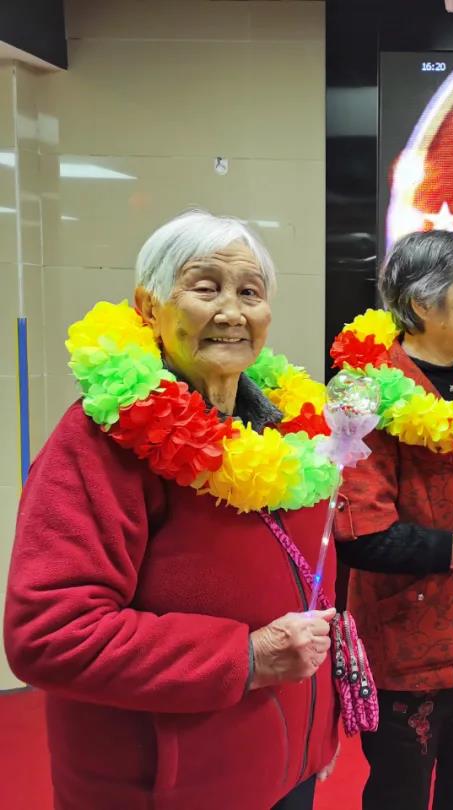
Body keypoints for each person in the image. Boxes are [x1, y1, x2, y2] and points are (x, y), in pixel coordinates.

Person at [3, 211, 341, 810]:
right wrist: (246, 657)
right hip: (166, 789)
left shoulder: (289, 431)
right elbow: (50, 633)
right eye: (205, 287)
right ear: (148, 306)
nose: (232, 312)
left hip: (287, 766)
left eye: (250, 292)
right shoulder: (99, 439)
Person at [332, 229, 453, 810]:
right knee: (400, 792)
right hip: (409, 644)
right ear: (424, 303)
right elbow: (362, 534)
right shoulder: (364, 392)